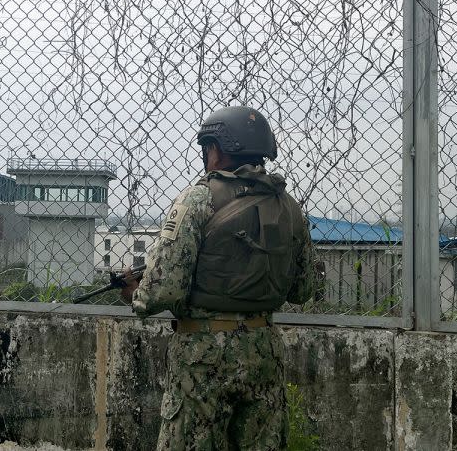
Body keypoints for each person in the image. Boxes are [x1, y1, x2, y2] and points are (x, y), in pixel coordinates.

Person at [120, 105, 316, 450]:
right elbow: (305, 289)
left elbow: (163, 289)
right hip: (264, 351)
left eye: (207, 148)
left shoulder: (198, 199)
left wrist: (136, 293)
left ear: (218, 150)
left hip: (202, 357)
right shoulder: (290, 207)